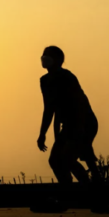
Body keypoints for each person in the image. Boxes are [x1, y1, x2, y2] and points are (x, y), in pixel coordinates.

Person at [37, 46, 101, 193]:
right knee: (55, 161)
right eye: (43, 55)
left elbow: (79, 103)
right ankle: (70, 190)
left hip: (85, 122)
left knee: (71, 158)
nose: (44, 58)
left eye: (49, 55)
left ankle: (91, 191)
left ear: (58, 60)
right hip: (67, 126)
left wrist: (80, 128)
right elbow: (49, 109)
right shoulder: (44, 81)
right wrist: (42, 134)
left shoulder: (67, 77)